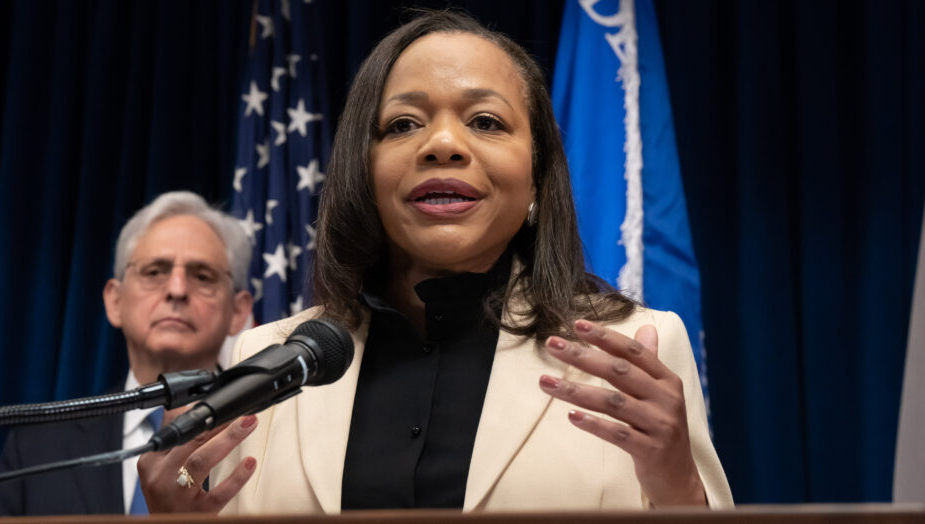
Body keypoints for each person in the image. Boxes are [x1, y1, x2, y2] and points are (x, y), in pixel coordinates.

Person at [138, 11, 732, 513]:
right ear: (362, 170)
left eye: (486, 122)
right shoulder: (267, 362)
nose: (442, 144)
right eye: (403, 125)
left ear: (537, 173)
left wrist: (676, 486)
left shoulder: (638, 347)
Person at [0, 191, 253, 515]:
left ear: (239, 311)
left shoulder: (266, 438)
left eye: (202, 276)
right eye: (154, 272)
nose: (177, 290)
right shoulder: (37, 451)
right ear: (115, 301)